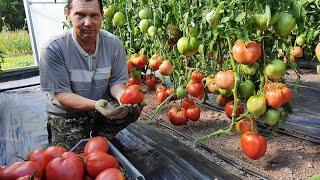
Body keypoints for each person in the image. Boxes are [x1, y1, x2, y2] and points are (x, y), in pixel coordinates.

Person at [39, 0, 143, 149]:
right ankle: (87, 137)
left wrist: (123, 99)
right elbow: (63, 95)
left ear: (102, 16)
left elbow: (116, 83)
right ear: (67, 13)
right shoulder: (53, 49)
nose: (87, 23)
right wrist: (96, 105)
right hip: (67, 112)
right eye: (80, 15)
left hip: (101, 103)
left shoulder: (113, 44)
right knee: (71, 158)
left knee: (131, 109)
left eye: (94, 16)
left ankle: (102, 135)